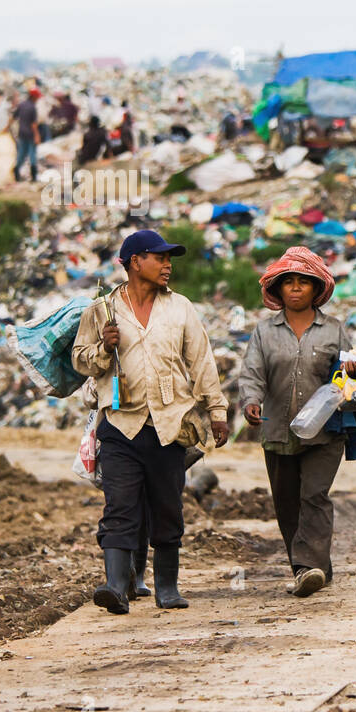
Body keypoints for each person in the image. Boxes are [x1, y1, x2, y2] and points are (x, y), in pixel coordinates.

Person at [71, 230, 230, 615]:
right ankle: (114, 586)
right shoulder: (102, 310)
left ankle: (168, 588)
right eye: (159, 258)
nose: (167, 265)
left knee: (167, 506)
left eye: (168, 258)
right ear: (135, 262)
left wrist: (217, 411)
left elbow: (201, 362)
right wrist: (104, 348)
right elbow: (79, 360)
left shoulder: (181, 308)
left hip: (170, 425)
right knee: (120, 506)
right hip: (120, 425)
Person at [238, 247, 356, 597]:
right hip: (277, 430)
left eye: (302, 283)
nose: (295, 288)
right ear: (277, 291)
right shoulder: (264, 332)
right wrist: (250, 402)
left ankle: (309, 566)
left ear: (315, 289)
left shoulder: (333, 331)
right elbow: (252, 373)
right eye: (288, 283)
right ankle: (311, 564)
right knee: (287, 501)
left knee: (315, 496)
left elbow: (349, 379)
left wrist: (349, 370)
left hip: (326, 432)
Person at [12, 89, 39, 182]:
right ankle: (34, 176)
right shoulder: (32, 107)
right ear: (34, 97)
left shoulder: (21, 105)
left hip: (22, 133)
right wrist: (37, 135)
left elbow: (13, 117)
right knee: (32, 154)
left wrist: (6, 128)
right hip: (30, 134)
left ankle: (16, 171)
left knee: (21, 154)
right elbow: (33, 124)